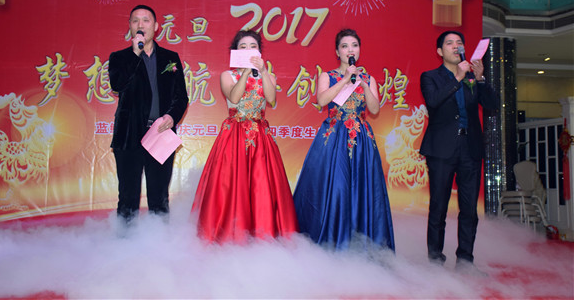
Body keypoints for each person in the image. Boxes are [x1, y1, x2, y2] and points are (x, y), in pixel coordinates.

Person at [191, 30, 298, 243]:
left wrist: (263, 71)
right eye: (243, 47)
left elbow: (271, 99)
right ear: (235, 52)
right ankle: (230, 233)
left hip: (260, 136)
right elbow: (234, 97)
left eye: (253, 47)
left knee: (261, 186)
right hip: (234, 135)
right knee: (231, 185)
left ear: (259, 52)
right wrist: (246, 72)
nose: (248, 50)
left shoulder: (268, 75)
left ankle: (262, 233)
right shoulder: (227, 76)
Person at [293, 28, 395, 251]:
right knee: (336, 188)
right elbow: (322, 101)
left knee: (361, 188)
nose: (350, 50)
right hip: (333, 137)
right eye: (345, 46)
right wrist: (346, 80)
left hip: (361, 140)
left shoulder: (368, 79)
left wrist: (363, 85)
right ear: (337, 51)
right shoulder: (327, 76)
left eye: (354, 46)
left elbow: (374, 109)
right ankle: (331, 239)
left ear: (359, 50)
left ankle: (359, 241)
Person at [420, 30, 499, 270]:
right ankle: (435, 261)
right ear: (440, 51)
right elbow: (433, 101)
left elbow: (492, 105)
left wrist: (480, 78)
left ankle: (465, 261)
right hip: (441, 150)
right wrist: (458, 77)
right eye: (450, 43)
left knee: (469, 210)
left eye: (459, 43)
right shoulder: (430, 77)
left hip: (470, 148)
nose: (456, 46)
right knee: (438, 207)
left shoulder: (472, 78)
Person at [108, 4, 188, 224]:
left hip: (160, 133)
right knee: (127, 197)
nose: (140, 24)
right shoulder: (119, 57)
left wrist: (171, 117)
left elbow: (181, 97)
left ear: (156, 26)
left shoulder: (170, 58)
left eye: (146, 20)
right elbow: (117, 84)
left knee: (159, 196)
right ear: (130, 26)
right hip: (128, 135)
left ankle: (158, 240)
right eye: (135, 20)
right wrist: (136, 53)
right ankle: (124, 240)